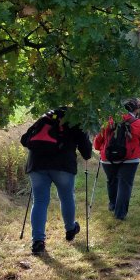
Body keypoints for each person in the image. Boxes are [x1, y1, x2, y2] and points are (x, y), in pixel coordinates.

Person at [20, 107, 92, 255]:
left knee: (39, 201)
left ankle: (37, 241)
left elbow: (24, 140)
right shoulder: (75, 121)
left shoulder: (44, 118)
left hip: (37, 164)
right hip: (63, 165)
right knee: (66, 198)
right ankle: (70, 229)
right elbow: (87, 152)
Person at [93, 98, 140, 220]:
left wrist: (101, 149)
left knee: (111, 181)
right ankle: (120, 214)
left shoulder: (108, 121)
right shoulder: (138, 123)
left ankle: (113, 205)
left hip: (108, 157)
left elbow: (97, 141)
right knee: (125, 184)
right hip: (130, 158)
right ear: (136, 109)